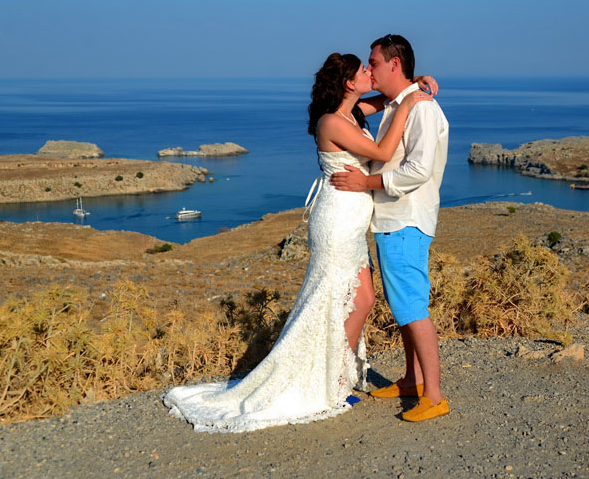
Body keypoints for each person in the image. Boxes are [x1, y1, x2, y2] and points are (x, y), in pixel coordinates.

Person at [162, 52, 433, 433]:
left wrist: (410, 84)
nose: (370, 72)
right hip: (336, 221)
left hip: (352, 224)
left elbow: (386, 99)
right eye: (363, 70)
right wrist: (409, 104)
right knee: (339, 298)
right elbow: (384, 152)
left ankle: (335, 378)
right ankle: (329, 384)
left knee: (360, 300)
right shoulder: (331, 122)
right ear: (348, 83)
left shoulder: (353, 113)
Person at [330, 34, 450, 422]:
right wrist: (415, 83)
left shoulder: (422, 109)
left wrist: (364, 183)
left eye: (374, 62)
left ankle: (434, 396)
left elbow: (418, 169)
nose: (370, 69)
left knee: (412, 307)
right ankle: (413, 380)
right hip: (393, 220)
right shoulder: (400, 104)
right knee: (403, 307)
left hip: (405, 219)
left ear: (394, 64)